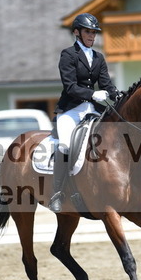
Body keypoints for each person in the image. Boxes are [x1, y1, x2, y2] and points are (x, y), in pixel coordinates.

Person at [49, 12, 119, 212]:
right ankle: (57, 192)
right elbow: (70, 86)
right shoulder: (68, 55)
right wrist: (92, 94)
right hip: (71, 110)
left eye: (94, 32)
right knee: (65, 145)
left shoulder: (98, 57)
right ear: (77, 33)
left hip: (93, 110)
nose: (92, 36)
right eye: (88, 32)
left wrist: (117, 94)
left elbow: (106, 84)